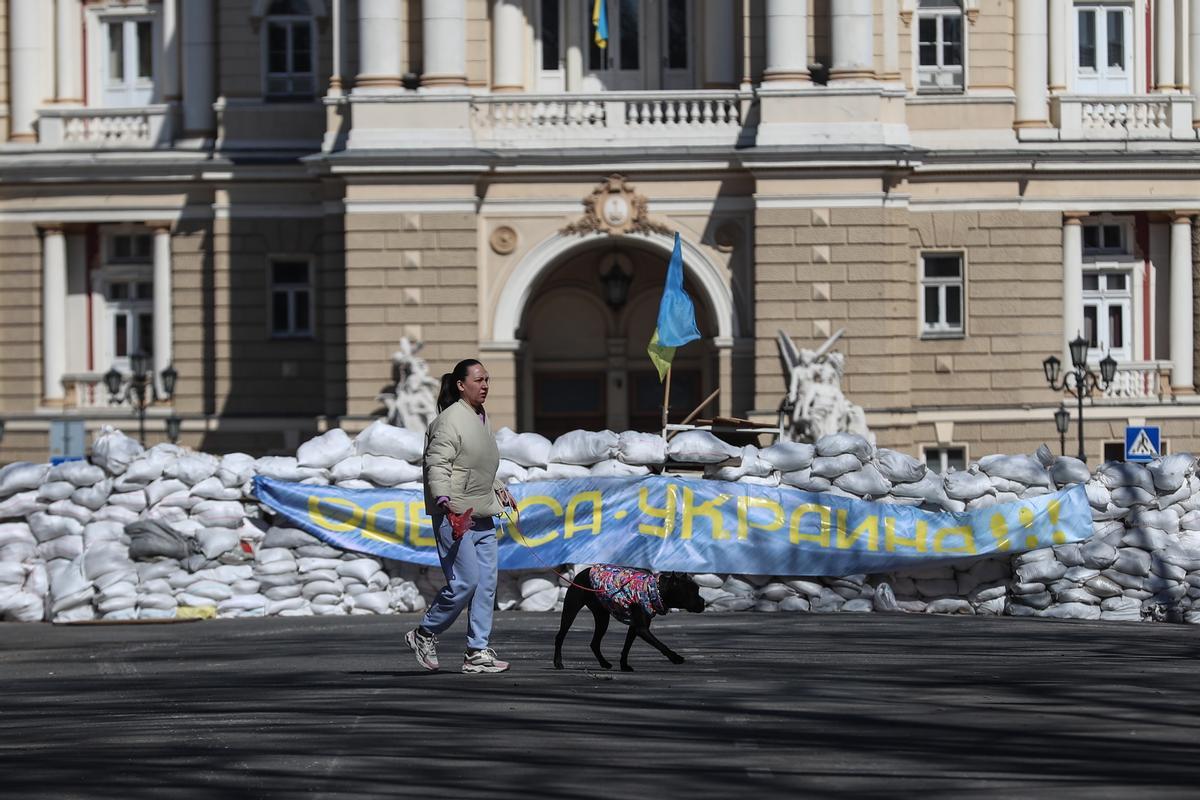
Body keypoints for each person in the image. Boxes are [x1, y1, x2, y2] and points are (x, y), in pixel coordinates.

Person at [405, 358, 516, 674]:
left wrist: (497, 486)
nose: (485, 385)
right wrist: (443, 499)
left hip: (482, 512)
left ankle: (477, 652)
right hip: (454, 515)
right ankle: (424, 633)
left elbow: (476, 463)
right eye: (479, 380)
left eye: (487, 380)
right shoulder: (449, 420)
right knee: (466, 581)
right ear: (460, 385)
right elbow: (437, 464)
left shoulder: (481, 417)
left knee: (486, 585)